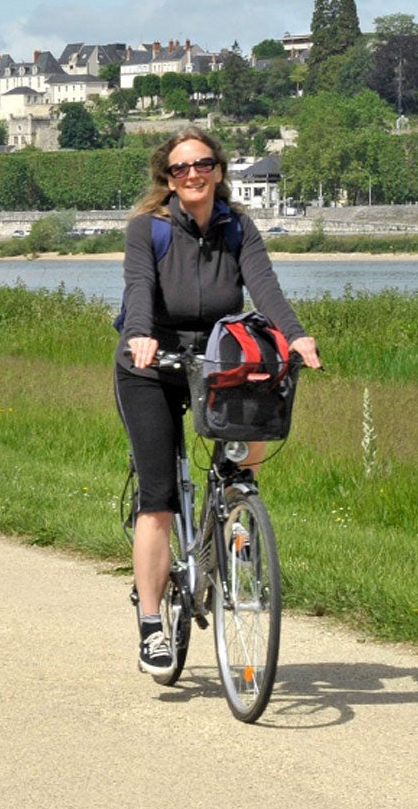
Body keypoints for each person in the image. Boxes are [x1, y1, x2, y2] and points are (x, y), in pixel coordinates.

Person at [116, 130, 321, 676]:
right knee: (158, 498)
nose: (193, 174)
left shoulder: (237, 227)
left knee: (255, 423)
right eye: (180, 168)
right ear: (167, 178)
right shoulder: (148, 229)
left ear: (219, 171)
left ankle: (234, 522)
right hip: (151, 362)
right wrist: (139, 335)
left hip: (215, 358)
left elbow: (265, 287)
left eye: (202, 164)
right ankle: (152, 624)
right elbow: (138, 288)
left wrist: (295, 336)